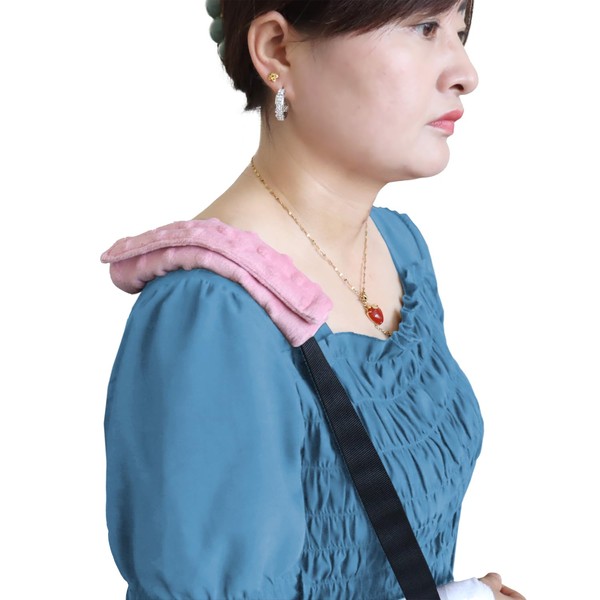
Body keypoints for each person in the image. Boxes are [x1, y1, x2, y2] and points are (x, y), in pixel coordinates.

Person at [101, 1, 526, 598]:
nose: (465, 72)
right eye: (425, 27)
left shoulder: (398, 250)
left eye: (460, 30)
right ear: (277, 49)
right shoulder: (213, 315)